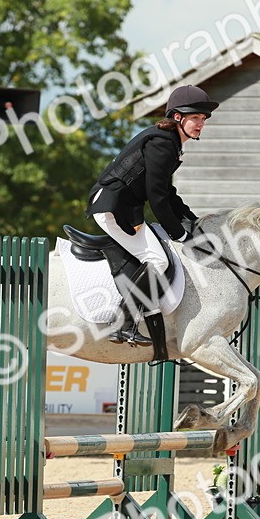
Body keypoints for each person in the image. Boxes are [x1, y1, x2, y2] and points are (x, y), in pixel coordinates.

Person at [86, 84, 217, 346]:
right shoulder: (162, 143)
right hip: (113, 207)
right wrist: (180, 233)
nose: (200, 124)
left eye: (203, 119)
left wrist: (192, 221)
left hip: (122, 207)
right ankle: (122, 322)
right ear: (177, 117)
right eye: (195, 118)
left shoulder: (169, 143)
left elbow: (167, 193)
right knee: (158, 260)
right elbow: (156, 197)